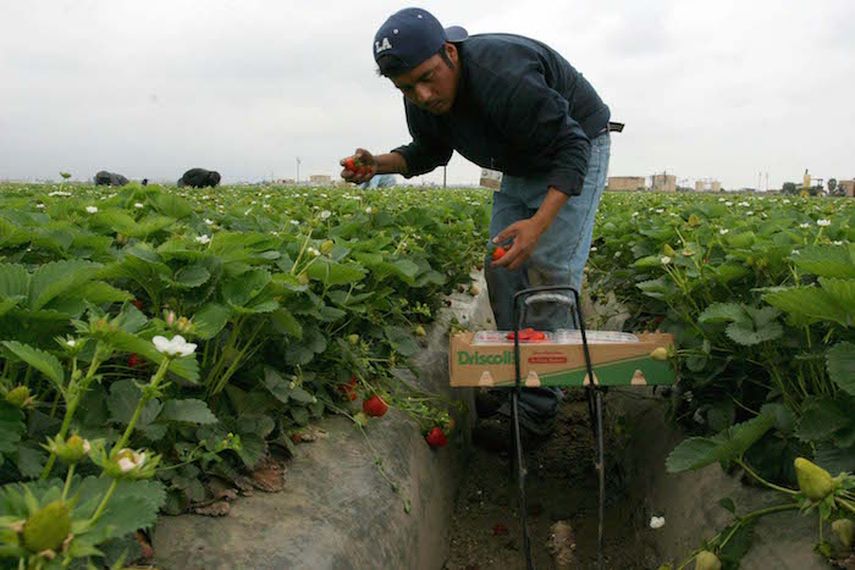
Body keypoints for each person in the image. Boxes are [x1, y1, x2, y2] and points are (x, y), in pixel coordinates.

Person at [340, 7, 612, 437]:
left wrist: (539, 224)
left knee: (547, 271)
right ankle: (515, 376)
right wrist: (378, 164)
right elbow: (429, 151)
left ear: (449, 53)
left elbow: (572, 146)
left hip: (575, 143)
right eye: (407, 88)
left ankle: (537, 409)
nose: (423, 95)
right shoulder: (423, 98)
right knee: (501, 264)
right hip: (520, 159)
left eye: (429, 77)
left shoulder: (503, 78)